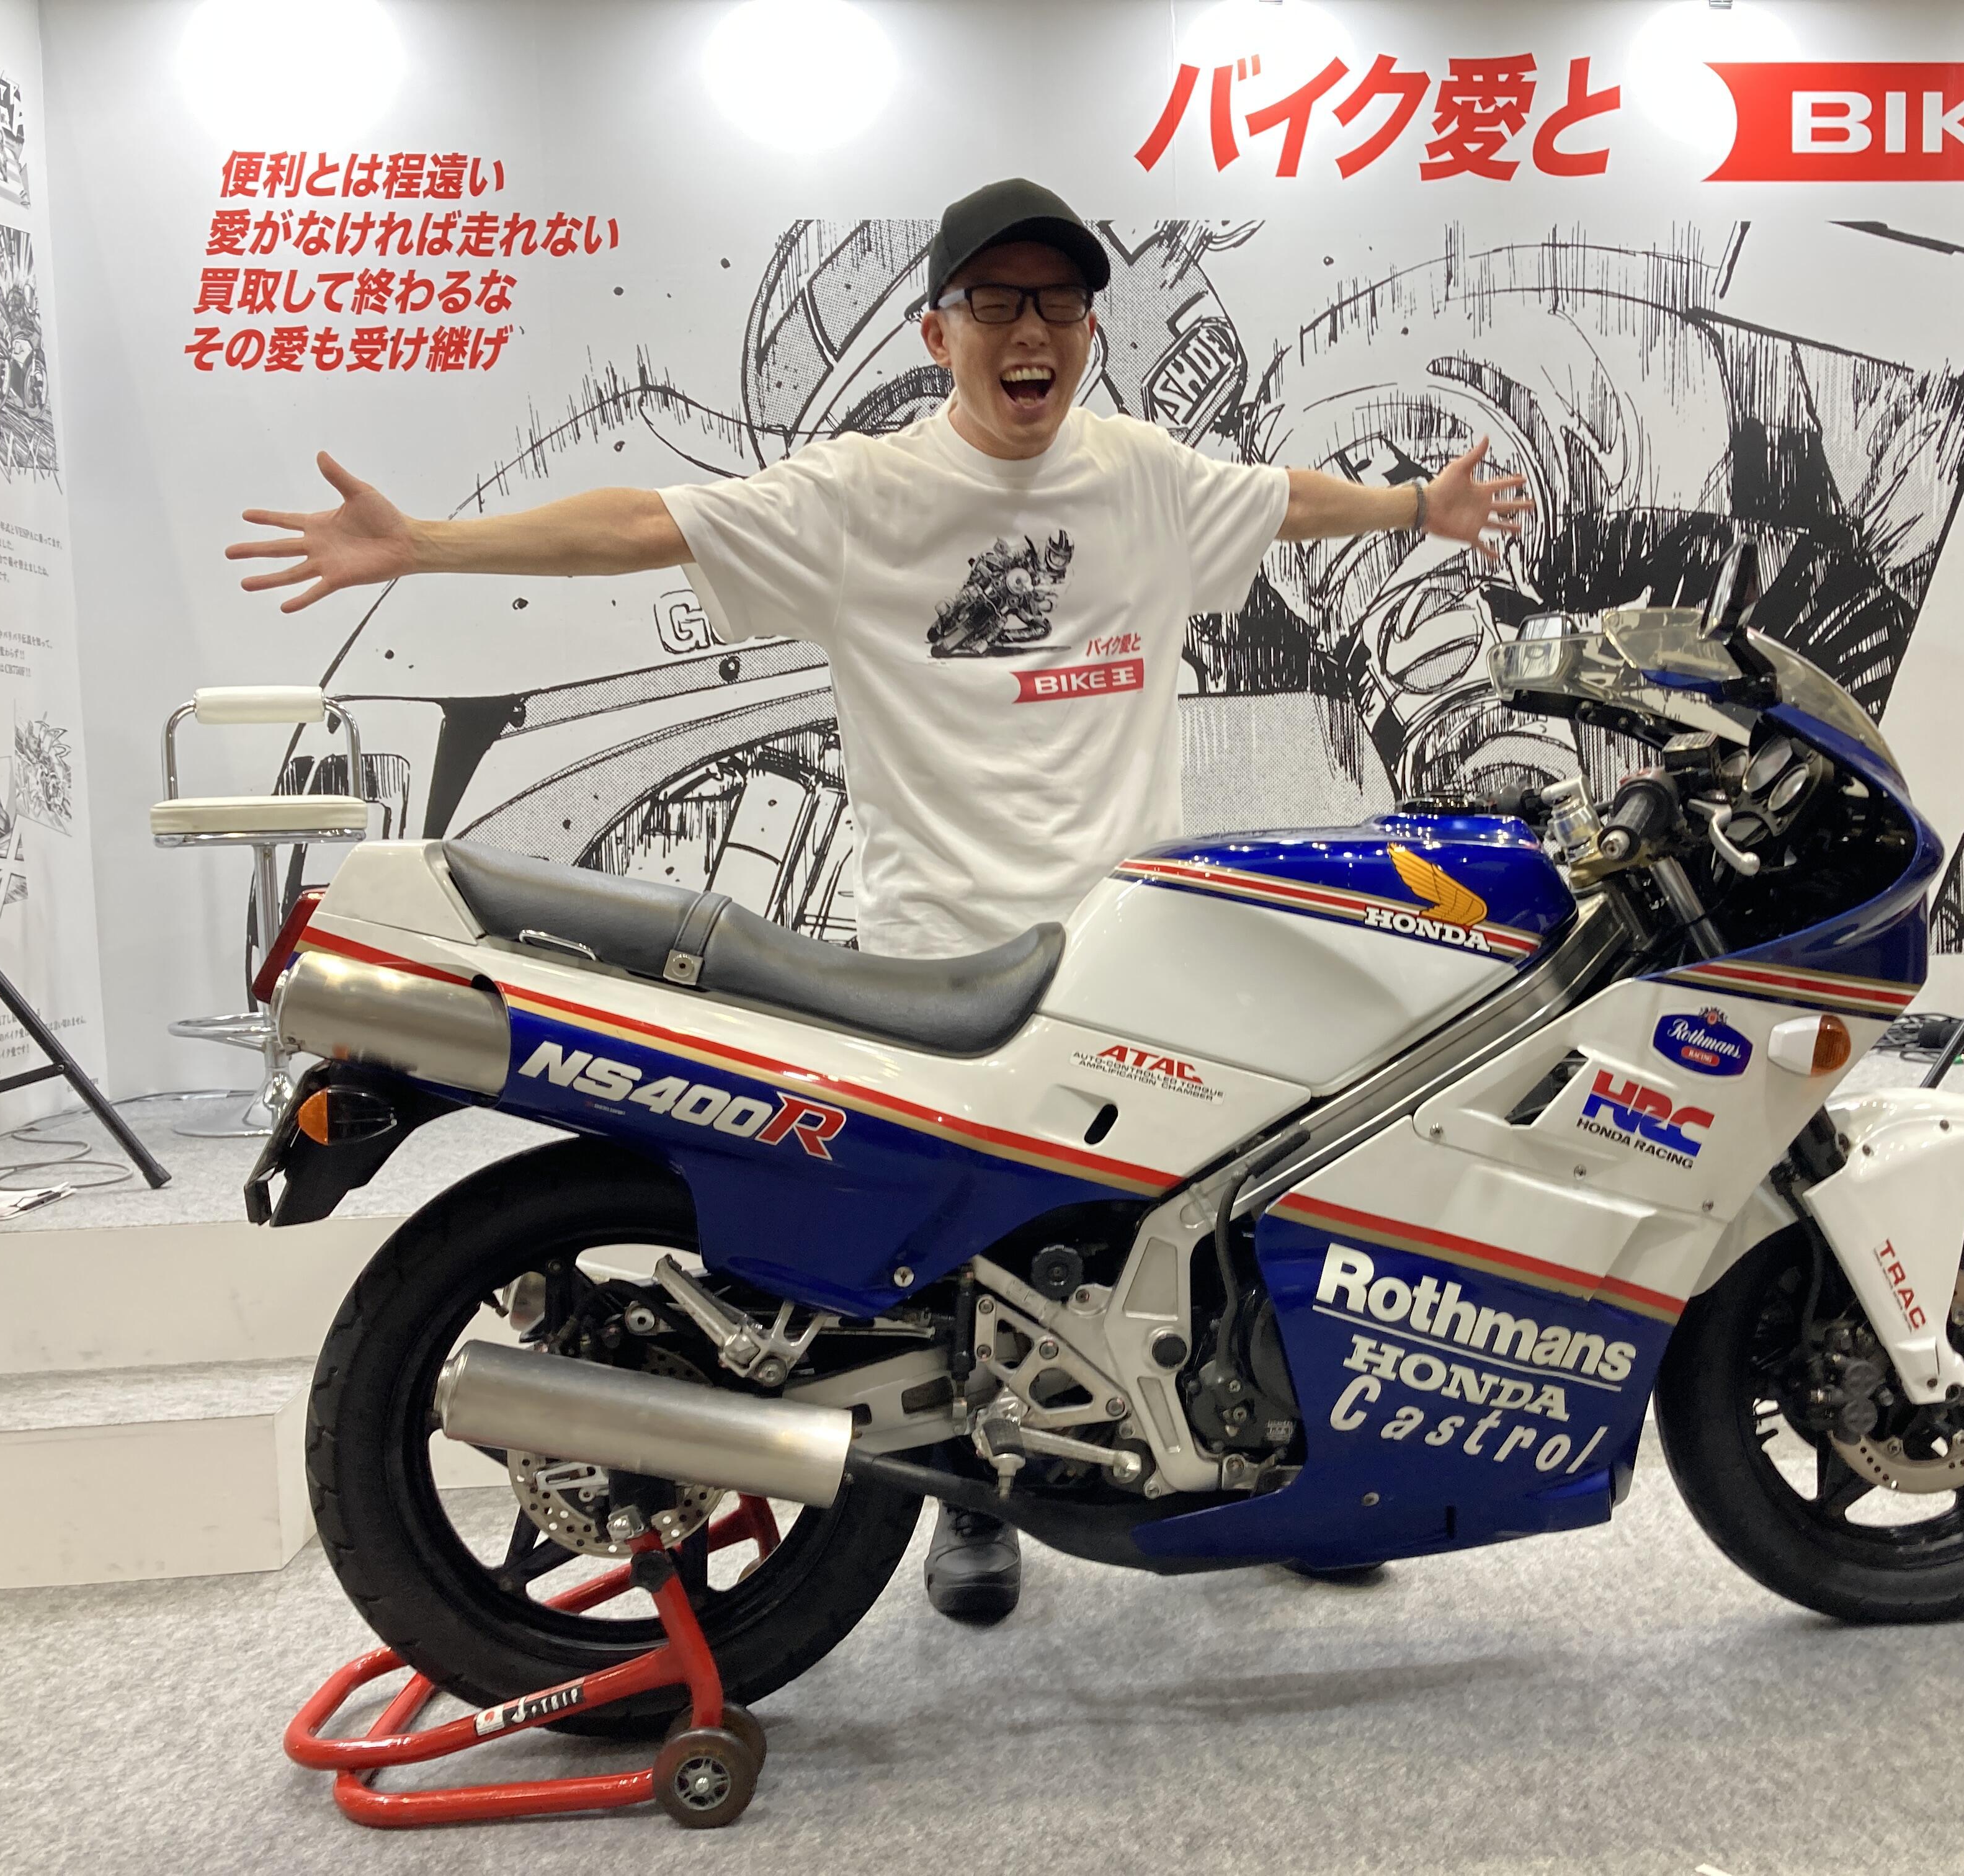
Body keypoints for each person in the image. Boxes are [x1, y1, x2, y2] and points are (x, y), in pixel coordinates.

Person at [226, 177, 1532, 1626]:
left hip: (1137, 945)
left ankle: (1276, 1489)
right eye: (997, 303)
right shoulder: (864, 493)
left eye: (1058, 303)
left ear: (1090, 331)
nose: (1030, 331)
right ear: (938, 331)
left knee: (1222, 1216)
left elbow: (1287, 502)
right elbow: (646, 523)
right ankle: (972, 1510)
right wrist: (427, 544)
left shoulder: (1147, 473)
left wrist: (1420, 507)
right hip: (939, 942)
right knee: (946, 1270)